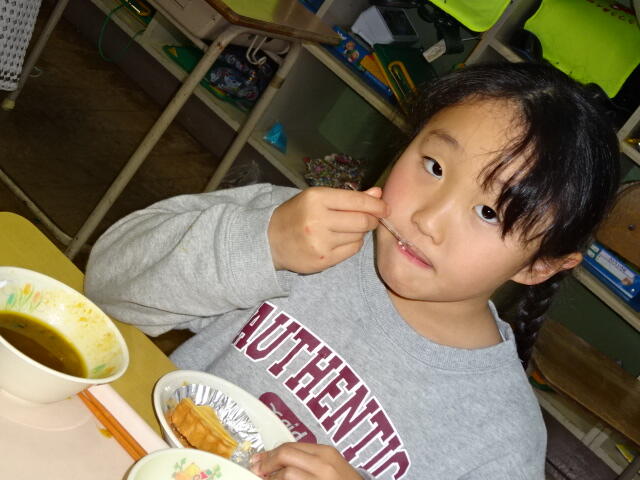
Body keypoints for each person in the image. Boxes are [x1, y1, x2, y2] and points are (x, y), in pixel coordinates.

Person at [84, 62, 620, 480]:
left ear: (541, 265)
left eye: (488, 212)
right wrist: (263, 242)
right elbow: (106, 285)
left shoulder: (499, 437)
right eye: (434, 166)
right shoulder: (300, 232)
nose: (428, 218)